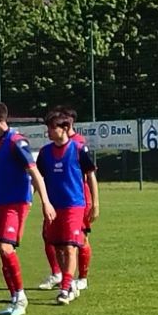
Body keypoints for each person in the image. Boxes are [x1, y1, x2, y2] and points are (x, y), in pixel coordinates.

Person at [0, 101, 55, 315]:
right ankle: (14, 297)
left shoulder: (17, 142)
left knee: (7, 248)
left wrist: (45, 202)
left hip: (16, 204)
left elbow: (35, 172)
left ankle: (21, 298)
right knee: (1, 250)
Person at [36, 108, 98, 304]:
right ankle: (69, 283)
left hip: (74, 205)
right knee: (59, 247)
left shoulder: (79, 150)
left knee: (71, 246)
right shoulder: (45, 153)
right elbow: (38, 178)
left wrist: (95, 203)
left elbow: (91, 176)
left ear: (64, 128)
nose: (48, 132)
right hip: (54, 207)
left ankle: (65, 289)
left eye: (52, 128)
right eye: (47, 128)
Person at [66, 107, 99, 292]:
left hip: (79, 197)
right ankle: (61, 276)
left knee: (81, 238)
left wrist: (95, 203)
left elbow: (89, 174)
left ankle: (82, 278)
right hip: (61, 199)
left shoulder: (78, 143)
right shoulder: (54, 145)